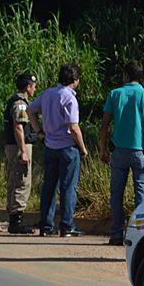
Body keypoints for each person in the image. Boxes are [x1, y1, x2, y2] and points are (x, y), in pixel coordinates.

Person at [100, 61, 144, 246]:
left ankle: (117, 233)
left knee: (116, 193)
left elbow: (105, 124)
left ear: (125, 75)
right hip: (140, 150)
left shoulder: (114, 94)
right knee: (141, 192)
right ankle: (140, 234)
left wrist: (102, 148)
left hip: (119, 151)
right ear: (141, 77)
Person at [28, 62, 88, 237]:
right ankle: (67, 225)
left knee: (49, 187)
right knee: (68, 188)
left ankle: (46, 226)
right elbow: (74, 127)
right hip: (67, 147)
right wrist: (83, 148)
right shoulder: (69, 98)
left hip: (50, 145)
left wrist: (39, 131)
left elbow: (31, 110)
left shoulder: (48, 93)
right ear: (75, 80)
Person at [2, 73, 38, 234]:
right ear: (28, 86)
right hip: (19, 147)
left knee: (14, 180)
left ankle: (13, 217)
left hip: (13, 146)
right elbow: (18, 126)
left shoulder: (14, 100)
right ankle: (16, 221)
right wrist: (23, 151)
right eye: (33, 85)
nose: (35, 88)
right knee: (21, 181)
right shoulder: (20, 104)